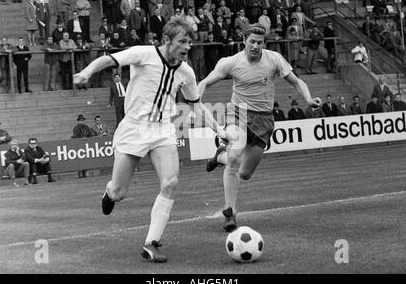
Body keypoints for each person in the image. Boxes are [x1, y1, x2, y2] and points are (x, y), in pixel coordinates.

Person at [73, 17, 231, 263]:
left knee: (170, 182)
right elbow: (109, 59)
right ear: (167, 40)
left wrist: (219, 130)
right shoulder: (143, 54)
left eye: (190, 42)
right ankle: (110, 191)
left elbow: (196, 105)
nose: (187, 46)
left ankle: (151, 243)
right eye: (182, 41)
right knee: (119, 192)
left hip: (163, 130)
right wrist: (86, 71)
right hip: (134, 128)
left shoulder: (186, 72)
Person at [197, 24, 320, 232]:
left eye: (259, 42)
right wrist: (195, 99)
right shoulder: (230, 62)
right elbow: (205, 83)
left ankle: (220, 157)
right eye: (252, 41)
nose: (255, 46)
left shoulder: (274, 59)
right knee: (235, 159)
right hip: (238, 113)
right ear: (244, 40)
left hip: (264, 119)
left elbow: (296, 82)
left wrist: (308, 98)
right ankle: (230, 213)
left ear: (265, 43)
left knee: (244, 173)